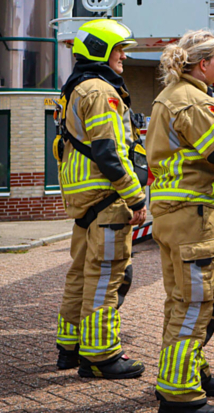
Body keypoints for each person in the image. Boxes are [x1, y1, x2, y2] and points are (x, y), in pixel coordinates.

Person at [146, 30, 214, 413]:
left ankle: (188, 372)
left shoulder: (170, 96)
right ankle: (180, 395)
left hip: (173, 213)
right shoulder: (192, 100)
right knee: (199, 304)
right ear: (204, 63)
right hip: (194, 214)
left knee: (181, 301)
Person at [54, 19, 148, 379]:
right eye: (118, 49)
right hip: (106, 198)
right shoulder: (100, 91)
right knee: (107, 276)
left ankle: (70, 347)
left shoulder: (75, 90)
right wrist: (136, 199)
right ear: (100, 51)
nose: (123, 56)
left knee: (80, 274)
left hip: (83, 202)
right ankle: (101, 355)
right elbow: (110, 154)